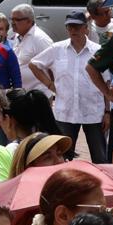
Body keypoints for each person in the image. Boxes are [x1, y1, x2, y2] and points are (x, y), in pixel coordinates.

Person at [37, 9, 106, 163]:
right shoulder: (57, 49)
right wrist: (49, 84)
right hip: (66, 111)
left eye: (77, 26)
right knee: (64, 156)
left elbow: (106, 82)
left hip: (93, 111)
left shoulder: (97, 50)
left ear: (86, 28)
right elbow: (35, 64)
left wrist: (107, 111)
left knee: (100, 156)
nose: (73, 30)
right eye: (70, 27)